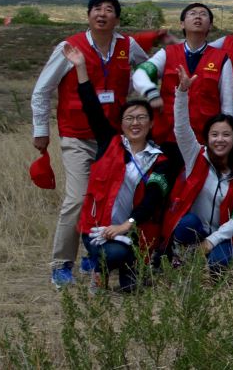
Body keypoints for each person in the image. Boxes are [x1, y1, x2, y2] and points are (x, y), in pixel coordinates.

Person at [31, 0, 151, 287]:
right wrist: (41, 130)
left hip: (114, 139)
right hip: (78, 134)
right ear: (88, 16)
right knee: (78, 198)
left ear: (117, 19)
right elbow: (41, 90)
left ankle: (93, 255)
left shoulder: (127, 46)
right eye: (96, 9)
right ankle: (61, 263)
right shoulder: (69, 47)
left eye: (109, 10)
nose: (102, 14)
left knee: (107, 201)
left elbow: (147, 71)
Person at [66, 43, 174, 294]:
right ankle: (99, 269)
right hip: (98, 228)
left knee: (132, 289)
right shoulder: (109, 144)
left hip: (135, 231)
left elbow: (153, 199)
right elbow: (92, 108)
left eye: (141, 118)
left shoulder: (160, 160)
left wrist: (127, 224)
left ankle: (131, 267)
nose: (135, 123)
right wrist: (81, 68)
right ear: (122, 124)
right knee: (113, 253)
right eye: (129, 118)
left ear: (150, 123)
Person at [163, 65, 233, 272]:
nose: (220, 140)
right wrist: (182, 93)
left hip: (222, 235)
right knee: (187, 222)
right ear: (207, 138)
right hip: (195, 229)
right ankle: (180, 258)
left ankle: (205, 256)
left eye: (226, 135)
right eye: (214, 135)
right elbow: (181, 128)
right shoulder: (196, 156)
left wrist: (211, 241)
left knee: (218, 266)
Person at [132, 2, 233, 153]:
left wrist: (226, 135)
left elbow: (227, 102)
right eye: (192, 13)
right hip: (168, 135)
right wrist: (151, 93)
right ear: (182, 24)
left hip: (204, 138)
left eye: (203, 14)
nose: (198, 17)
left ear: (210, 26)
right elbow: (140, 74)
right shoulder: (167, 53)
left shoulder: (221, 58)